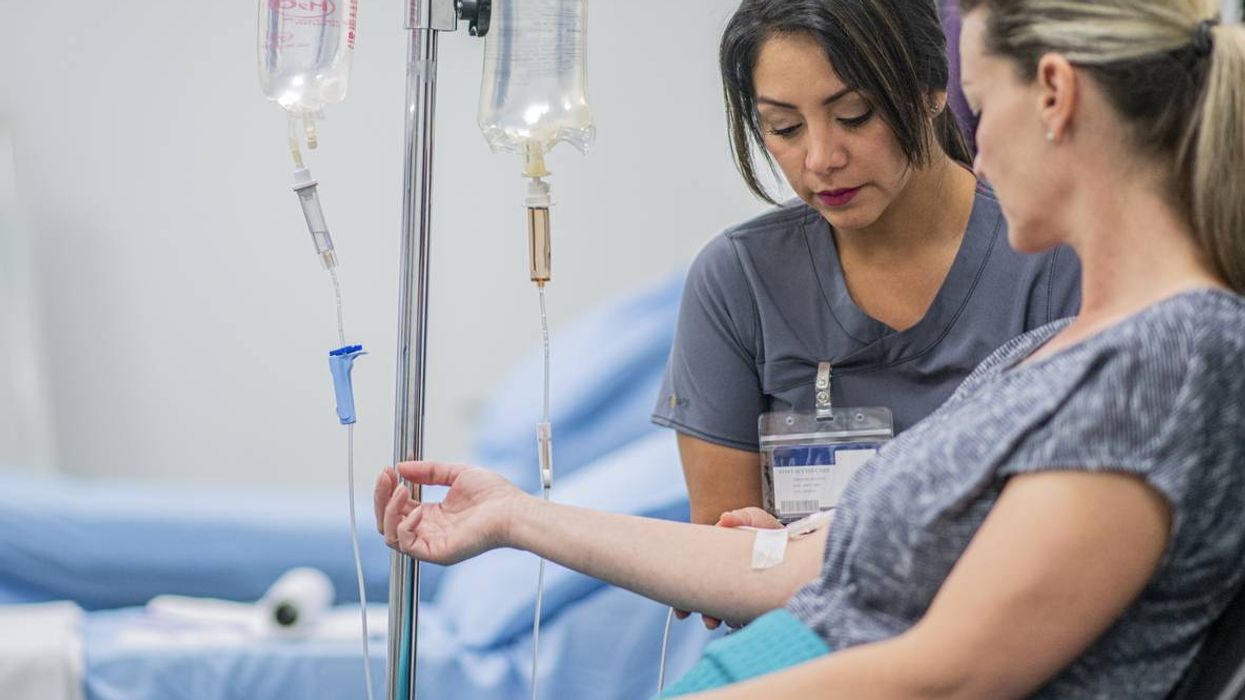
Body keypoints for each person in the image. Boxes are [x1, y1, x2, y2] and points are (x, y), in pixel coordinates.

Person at [376, 0, 1245, 696]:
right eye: (783, 127)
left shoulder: (1165, 358)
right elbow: (794, 564)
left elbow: (952, 672)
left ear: (1051, 94)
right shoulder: (1057, 353)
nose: (974, 150)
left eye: (978, 107)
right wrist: (516, 517)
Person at [649, 0, 1080, 534]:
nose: (821, 159)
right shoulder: (738, 281)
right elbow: (720, 553)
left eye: (854, 115)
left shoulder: (1054, 261)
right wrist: (753, 547)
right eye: (785, 128)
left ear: (932, 89)